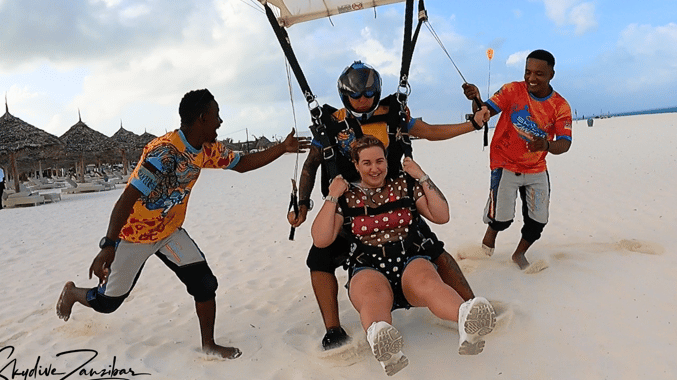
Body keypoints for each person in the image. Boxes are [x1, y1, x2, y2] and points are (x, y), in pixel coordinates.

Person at [56, 89, 310, 358]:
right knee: (108, 303)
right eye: (216, 116)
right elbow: (126, 200)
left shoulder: (206, 150)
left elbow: (243, 163)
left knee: (204, 284)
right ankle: (73, 294)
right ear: (202, 118)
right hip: (134, 235)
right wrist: (108, 245)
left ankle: (209, 345)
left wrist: (282, 148)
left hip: (168, 232)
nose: (220, 122)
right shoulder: (163, 153)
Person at [289, 61, 488, 350]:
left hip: (397, 202)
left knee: (433, 248)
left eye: (369, 94)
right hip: (348, 209)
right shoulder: (332, 124)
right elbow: (310, 165)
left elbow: (430, 130)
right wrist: (303, 205)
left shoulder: (393, 116)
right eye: (356, 96)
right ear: (345, 96)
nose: (363, 101)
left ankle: (469, 306)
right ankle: (333, 329)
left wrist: (471, 124)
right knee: (319, 258)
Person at [311, 136, 495, 376]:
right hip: (368, 265)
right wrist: (333, 194)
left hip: (409, 259)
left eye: (379, 161)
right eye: (366, 163)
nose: (374, 168)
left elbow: (441, 215)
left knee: (429, 283)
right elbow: (321, 239)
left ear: (387, 161)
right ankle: (386, 345)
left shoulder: (404, 185)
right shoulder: (346, 197)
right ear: (356, 165)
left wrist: (421, 175)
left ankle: (465, 321)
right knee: (372, 297)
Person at [463, 49, 572, 270]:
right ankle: (486, 246)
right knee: (501, 219)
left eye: (539, 74)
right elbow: (484, 112)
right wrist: (475, 99)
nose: (532, 78)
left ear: (552, 74)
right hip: (505, 163)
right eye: (528, 72)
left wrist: (547, 146)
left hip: (536, 167)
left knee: (538, 220)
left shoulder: (560, 106)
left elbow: (565, 143)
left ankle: (519, 254)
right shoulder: (512, 90)